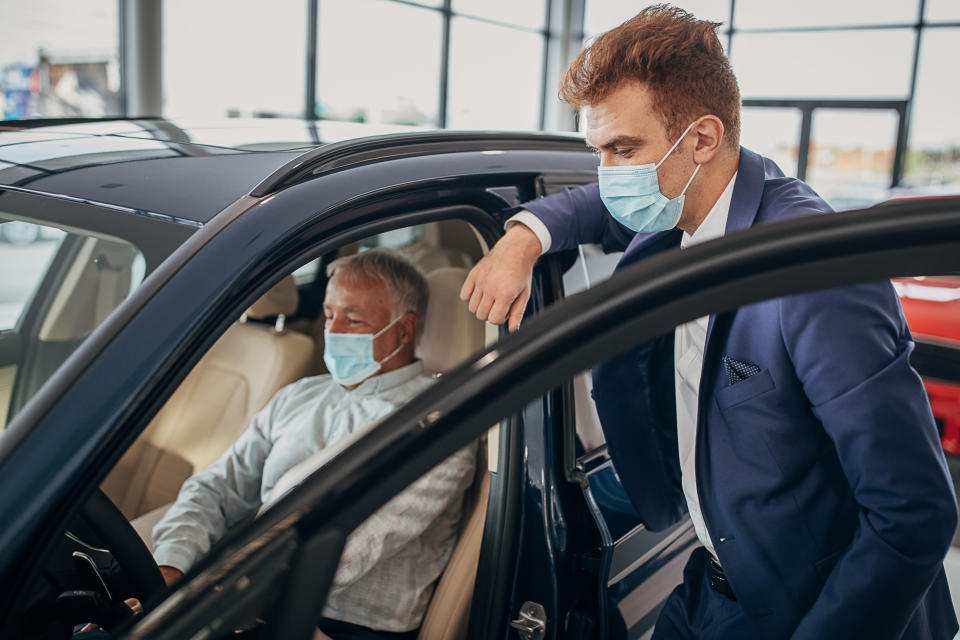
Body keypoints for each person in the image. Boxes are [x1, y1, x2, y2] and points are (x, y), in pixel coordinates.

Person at [459, 6, 958, 639]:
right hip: (712, 582)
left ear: (702, 138)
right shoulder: (678, 207)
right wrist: (522, 238)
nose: (608, 175)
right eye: (598, 152)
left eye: (622, 150)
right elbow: (596, 208)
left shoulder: (816, 274)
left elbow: (913, 512)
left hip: (816, 608)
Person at [152, 249, 476, 640]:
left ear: (404, 330)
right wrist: (171, 567)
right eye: (328, 314)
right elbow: (217, 488)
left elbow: (344, 551)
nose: (333, 330)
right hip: (247, 598)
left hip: (343, 626)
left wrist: (208, 601)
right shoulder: (300, 396)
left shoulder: (438, 425)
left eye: (352, 319)